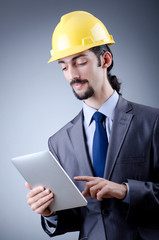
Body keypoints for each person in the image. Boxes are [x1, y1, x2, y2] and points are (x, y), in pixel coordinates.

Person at [25, 11, 159, 240]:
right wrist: (50, 213)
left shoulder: (152, 122)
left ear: (105, 60)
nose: (72, 75)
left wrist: (125, 191)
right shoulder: (59, 142)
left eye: (80, 62)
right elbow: (79, 217)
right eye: (64, 67)